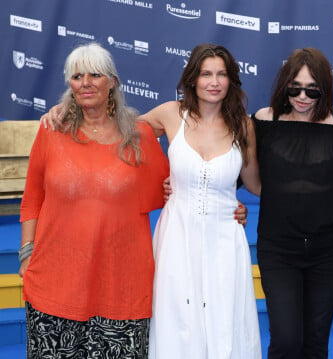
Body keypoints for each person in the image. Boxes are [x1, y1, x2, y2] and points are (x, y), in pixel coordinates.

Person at [19, 43, 169, 358]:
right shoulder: (51, 130)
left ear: (112, 81)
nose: (85, 82)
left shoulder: (139, 136)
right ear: (69, 85)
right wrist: (26, 254)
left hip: (122, 286)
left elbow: (176, 186)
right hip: (56, 283)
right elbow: (32, 196)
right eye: (77, 76)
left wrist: (226, 206)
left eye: (95, 74)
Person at [139, 44, 262, 358]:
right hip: (177, 235)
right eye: (206, 73)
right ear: (192, 78)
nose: (214, 81)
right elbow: (120, 135)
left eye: (221, 74)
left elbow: (255, 184)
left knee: (225, 319)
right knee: (177, 317)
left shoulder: (244, 126)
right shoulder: (171, 114)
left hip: (226, 238)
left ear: (231, 80)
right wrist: (159, 183)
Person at [251, 48, 333, 358]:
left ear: (324, 88)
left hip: (331, 250)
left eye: (312, 89)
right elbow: (237, 171)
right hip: (279, 248)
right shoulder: (262, 121)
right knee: (285, 339)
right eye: (294, 87)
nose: (302, 96)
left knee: (315, 341)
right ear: (284, 85)